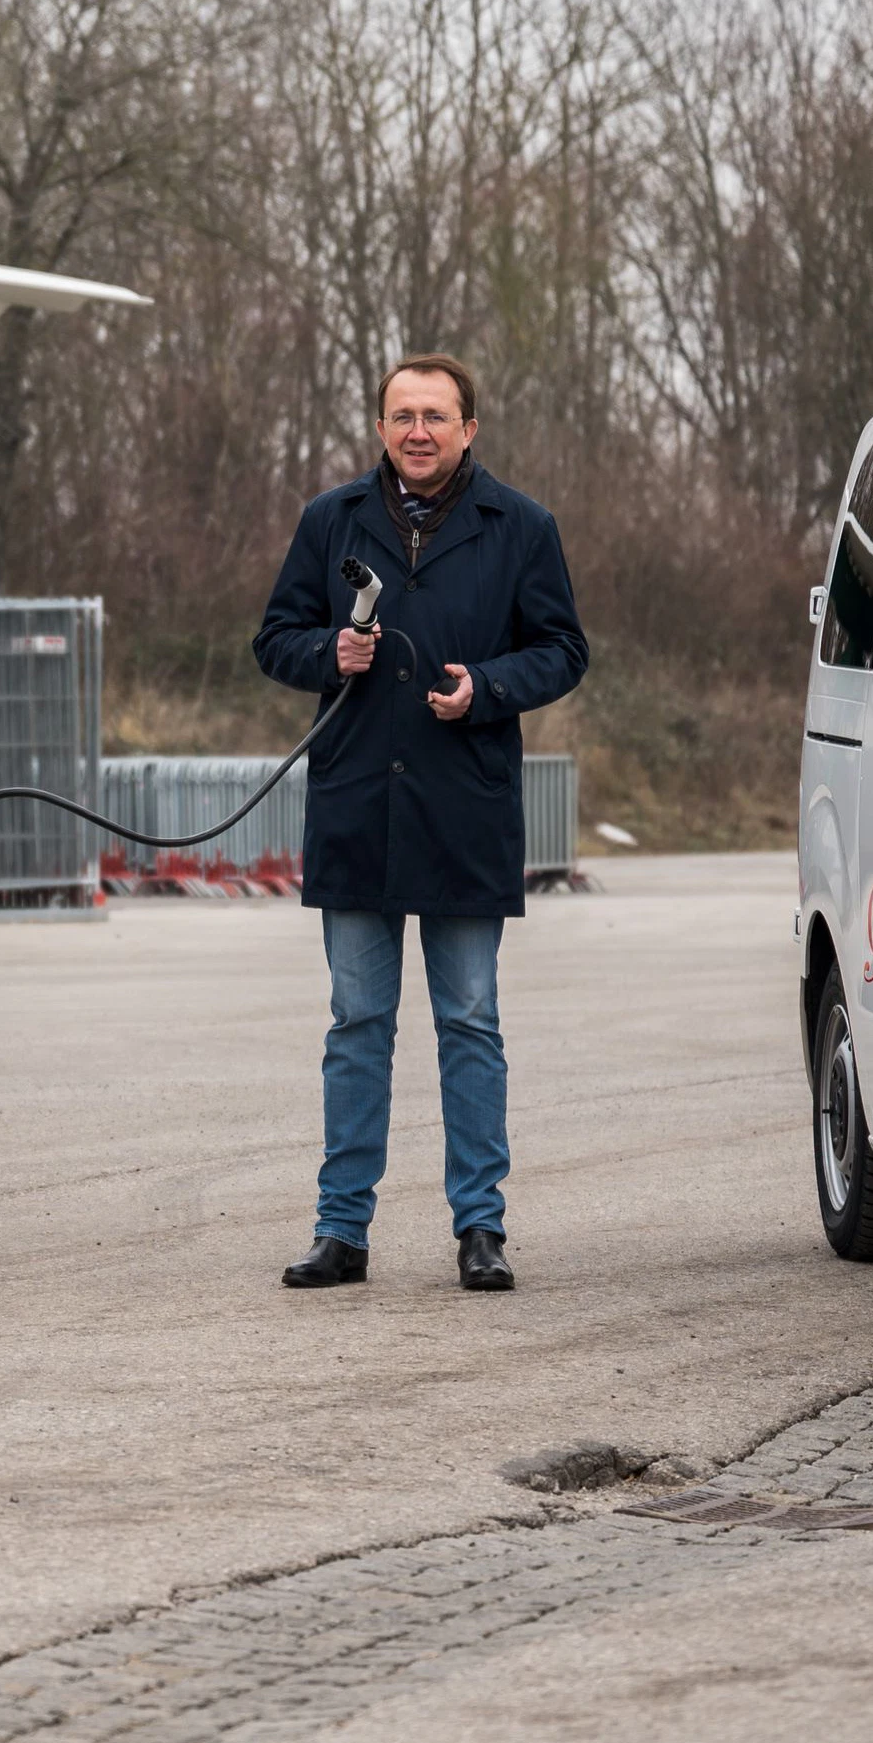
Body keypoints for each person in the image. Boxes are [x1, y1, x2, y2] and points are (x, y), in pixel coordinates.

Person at [250, 354, 588, 1293]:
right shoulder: (330, 519)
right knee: (357, 1023)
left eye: (436, 415)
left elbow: (564, 649)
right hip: (358, 806)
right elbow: (274, 639)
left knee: (469, 1022)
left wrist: (490, 688)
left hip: (463, 808)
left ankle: (481, 1227)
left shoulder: (521, 526)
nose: (418, 431)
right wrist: (331, 651)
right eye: (402, 415)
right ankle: (341, 1230)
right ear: (380, 428)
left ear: (469, 428)